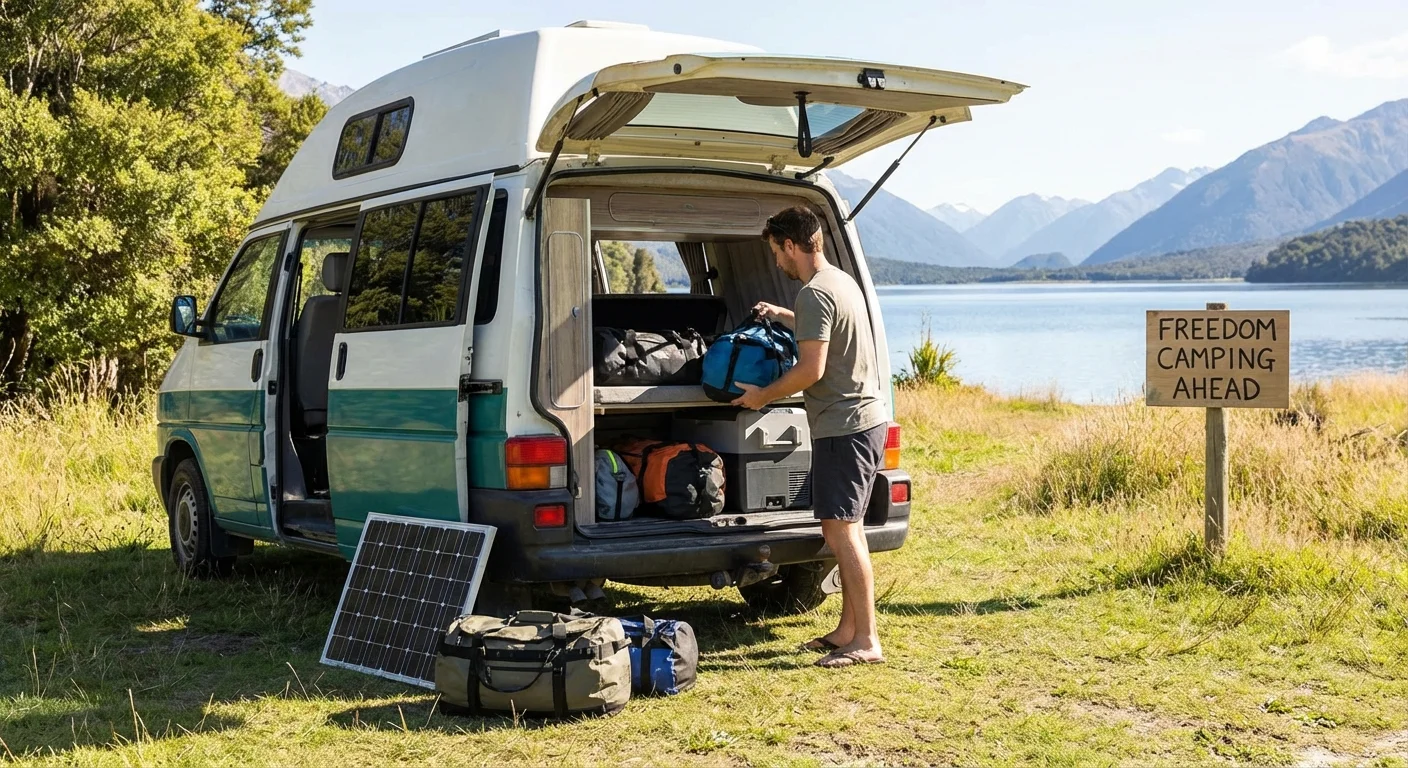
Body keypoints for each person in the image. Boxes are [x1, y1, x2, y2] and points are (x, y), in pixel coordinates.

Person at [732, 205, 888, 669]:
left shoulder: (814, 294)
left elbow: (810, 370)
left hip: (845, 427)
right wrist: (783, 314)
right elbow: (826, 331)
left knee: (841, 531)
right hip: (865, 421)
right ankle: (847, 630)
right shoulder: (840, 282)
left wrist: (762, 397)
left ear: (790, 245)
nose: (776, 260)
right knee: (847, 528)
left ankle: (867, 641)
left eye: (776, 251)